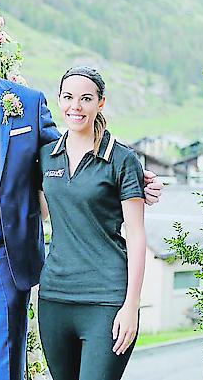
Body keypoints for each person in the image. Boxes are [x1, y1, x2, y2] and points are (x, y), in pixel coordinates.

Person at [0, 5, 162, 380]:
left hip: (3, 265)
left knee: (5, 373)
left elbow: (68, 154)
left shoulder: (26, 104)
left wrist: (132, 178)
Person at [37, 66, 146, 380]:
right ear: (59, 100)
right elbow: (39, 211)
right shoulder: (47, 156)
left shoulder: (122, 159)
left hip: (107, 300)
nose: (76, 106)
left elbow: (137, 237)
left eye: (86, 99)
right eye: (69, 97)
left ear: (101, 103)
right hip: (55, 298)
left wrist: (131, 306)